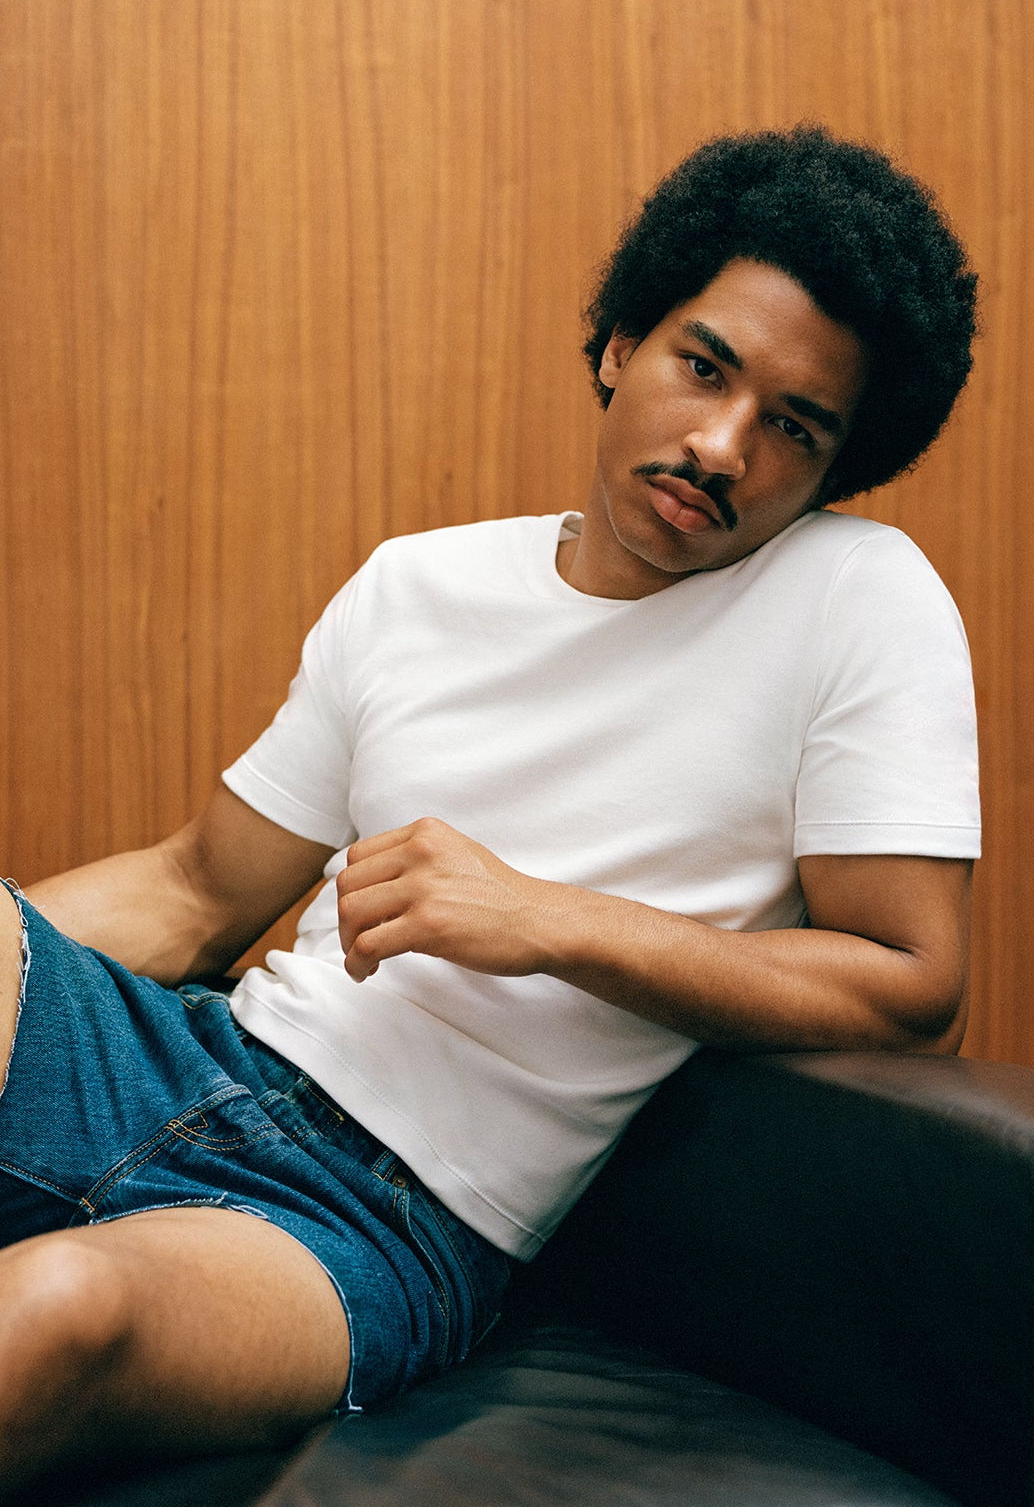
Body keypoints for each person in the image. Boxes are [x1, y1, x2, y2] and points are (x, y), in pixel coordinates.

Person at [0, 124, 979, 1486]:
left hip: (381, 1226)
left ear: (829, 475)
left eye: (792, 428)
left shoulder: (854, 599)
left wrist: (546, 921)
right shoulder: (416, 586)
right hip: (187, 1060)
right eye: (703, 367)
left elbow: (908, 980)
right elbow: (192, 890)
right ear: (617, 343)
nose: (718, 445)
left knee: (54, 1311)